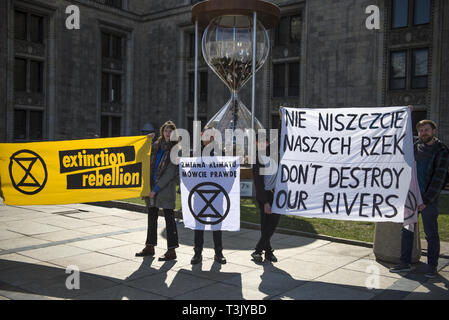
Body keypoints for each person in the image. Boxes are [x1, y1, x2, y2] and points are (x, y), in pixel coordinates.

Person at [390, 119, 449, 278]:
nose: (423, 133)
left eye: (426, 130)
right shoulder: (413, 147)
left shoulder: (442, 150)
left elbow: (440, 179)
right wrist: (406, 116)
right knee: (407, 231)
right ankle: (404, 263)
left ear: (433, 131)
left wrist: (425, 201)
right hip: (410, 199)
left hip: (427, 202)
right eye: (421, 130)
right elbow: (397, 141)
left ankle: (431, 266)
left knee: (431, 234)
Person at [136, 120, 180, 261]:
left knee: (169, 219)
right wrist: (146, 141)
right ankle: (150, 246)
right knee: (152, 218)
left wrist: (156, 189)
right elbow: (141, 157)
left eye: (170, 131)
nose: (168, 133)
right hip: (151, 186)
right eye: (166, 131)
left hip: (165, 188)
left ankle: (171, 250)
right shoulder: (155, 146)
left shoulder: (176, 149)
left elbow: (170, 172)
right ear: (162, 132)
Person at [191, 127, 226, 265]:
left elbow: (225, 173)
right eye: (204, 135)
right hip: (200, 195)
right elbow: (192, 172)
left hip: (216, 195)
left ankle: (218, 252)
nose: (206, 138)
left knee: (216, 224)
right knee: (198, 225)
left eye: (208, 136)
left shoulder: (220, 153)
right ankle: (197, 253)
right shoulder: (196, 153)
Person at [251, 133, 281, 263]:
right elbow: (258, 182)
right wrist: (265, 202)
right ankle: (266, 252)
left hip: (277, 193)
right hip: (265, 194)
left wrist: (282, 119)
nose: (263, 144)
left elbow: (282, 135)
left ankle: (260, 250)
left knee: (272, 223)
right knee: (266, 224)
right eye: (260, 142)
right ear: (256, 143)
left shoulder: (275, 154)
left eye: (265, 141)